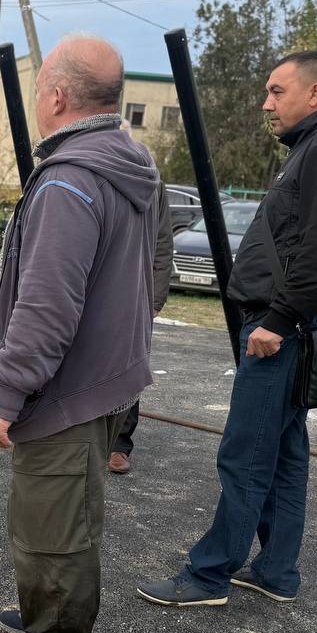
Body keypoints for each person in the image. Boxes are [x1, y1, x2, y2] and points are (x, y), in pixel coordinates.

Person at [138, 50, 317, 607]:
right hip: (294, 324)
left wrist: (278, 319)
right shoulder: (314, 148)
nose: (266, 103)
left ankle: (208, 575)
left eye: (277, 91)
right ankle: (275, 571)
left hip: (292, 329)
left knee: (245, 450)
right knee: (286, 448)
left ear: (314, 94)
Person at [0, 34, 160, 633]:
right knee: (57, 509)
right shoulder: (125, 161)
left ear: (55, 96)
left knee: (54, 522)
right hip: (100, 378)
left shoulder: (71, 181)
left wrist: (5, 395)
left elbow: (47, 307)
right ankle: (42, 612)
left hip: (64, 389)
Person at [109, 186, 174, 474]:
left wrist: (156, 298)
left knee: (130, 366)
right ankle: (84, 437)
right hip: (96, 284)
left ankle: (119, 444)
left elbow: (162, 240)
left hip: (135, 292)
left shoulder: (148, 179)